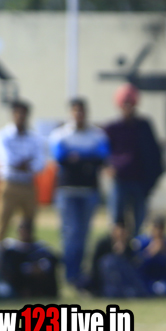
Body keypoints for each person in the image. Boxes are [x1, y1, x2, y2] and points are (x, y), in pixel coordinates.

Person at [50, 97, 109, 287]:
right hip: (67, 191)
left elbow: (101, 157)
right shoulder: (60, 134)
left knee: (83, 234)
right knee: (70, 233)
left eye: (81, 111)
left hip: (89, 191)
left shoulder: (97, 135)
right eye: (75, 111)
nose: (79, 114)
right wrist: (87, 158)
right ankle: (70, 274)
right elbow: (60, 157)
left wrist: (77, 157)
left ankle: (78, 273)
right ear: (70, 113)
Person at [104, 84, 164, 236]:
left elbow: (154, 154)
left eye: (130, 103)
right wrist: (107, 167)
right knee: (117, 221)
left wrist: (151, 181)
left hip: (140, 182)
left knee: (139, 223)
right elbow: (103, 153)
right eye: (125, 103)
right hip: (120, 181)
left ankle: (136, 247)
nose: (127, 106)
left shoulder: (144, 126)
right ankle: (118, 248)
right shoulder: (112, 128)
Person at [0, 99, 47, 242]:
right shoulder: (2, 135)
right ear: (12, 114)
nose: (20, 116)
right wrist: (27, 162)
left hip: (28, 185)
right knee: (2, 222)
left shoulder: (35, 138)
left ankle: (25, 252)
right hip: (9, 184)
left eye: (23, 113)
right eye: (18, 113)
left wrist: (22, 164)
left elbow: (40, 164)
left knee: (29, 224)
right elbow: (8, 160)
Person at [1, 219, 59, 299]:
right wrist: (28, 268)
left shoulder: (40, 247)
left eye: (27, 230)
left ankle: (46, 293)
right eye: (22, 229)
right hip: (19, 278)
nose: (24, 232)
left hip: (38, 277)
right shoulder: (11, 248)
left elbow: (53, 260)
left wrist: (41, 267)